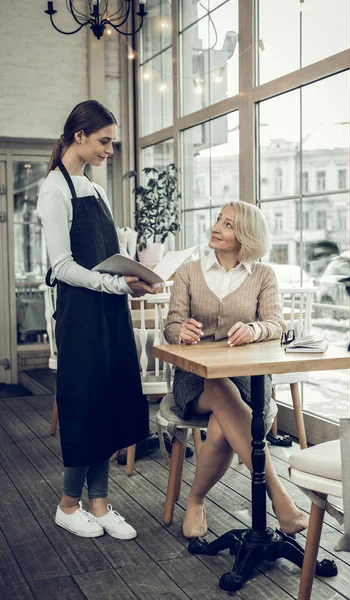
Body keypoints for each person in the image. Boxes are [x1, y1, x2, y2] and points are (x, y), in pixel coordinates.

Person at [38, 100, 155, 539]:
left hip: (110, 310)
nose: (110, 149)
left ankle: (101, 504)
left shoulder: (97, 189)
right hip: (81, 315)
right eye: (104, 141)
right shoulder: (54, 189)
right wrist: (116, 286)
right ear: (79, 135)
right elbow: (62, 267)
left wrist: (130, 276)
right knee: (84, 405)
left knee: (110, 400)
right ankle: (69, 505)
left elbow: (102, 257)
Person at [164, 201, 308, 538]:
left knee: (220, 427)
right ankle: (279, 495)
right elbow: (171, 327)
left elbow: (275, 323)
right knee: (216, 387)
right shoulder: (188, 272)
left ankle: (196, 500)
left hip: (248, 379)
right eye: (218, 220)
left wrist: (255, 330)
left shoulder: (263, 275)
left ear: (245, 235)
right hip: (195, 379)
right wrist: (180, 331)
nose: (216, 227)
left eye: (227, 224)